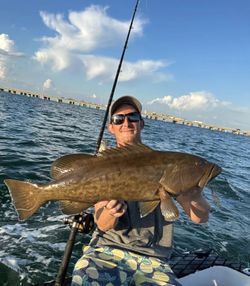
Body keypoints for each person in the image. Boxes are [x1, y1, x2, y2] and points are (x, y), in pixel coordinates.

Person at [71, 96, 210, 286]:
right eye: (119, 119)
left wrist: (195, 195)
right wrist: (111, 212)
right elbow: (102, 224)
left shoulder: (169, 165)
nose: (126, 123)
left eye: (133, 117)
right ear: (111, 127)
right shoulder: (102, 167)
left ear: (142, 123)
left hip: (154, 259)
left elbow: (199, 218)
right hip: (107, 250)